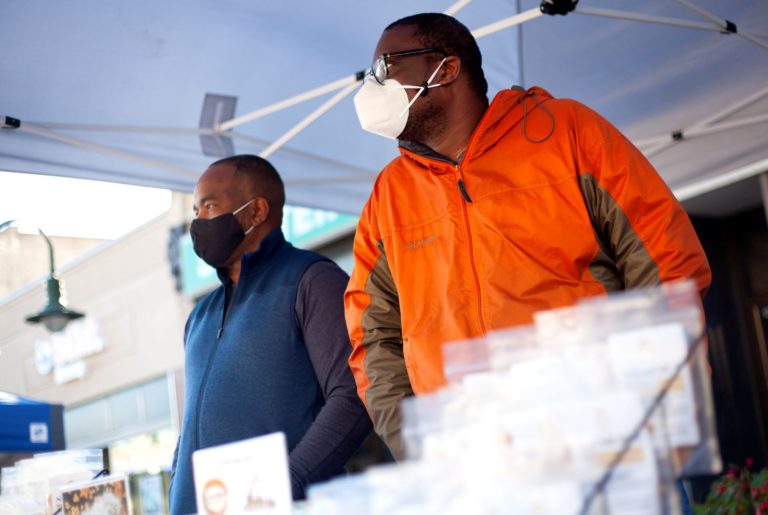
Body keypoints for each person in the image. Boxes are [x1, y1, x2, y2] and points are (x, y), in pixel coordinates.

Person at [345, 13, 711, 463]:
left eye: (386, 67)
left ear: (447, 69)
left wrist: (648, 404)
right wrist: (423, 449)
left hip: (602, 443)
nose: (374, 84)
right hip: (476, 466)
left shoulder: (567, 131)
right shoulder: (387, 196)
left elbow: (665, 263)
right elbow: (373, 337)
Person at [169, 155, 371, 515]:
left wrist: (283, 485)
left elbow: (353, 396)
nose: (198, 221)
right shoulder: (199, 315)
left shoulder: (311, 280)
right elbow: (189, 429)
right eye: (196, 210)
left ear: (256, 211)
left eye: (210, 205)